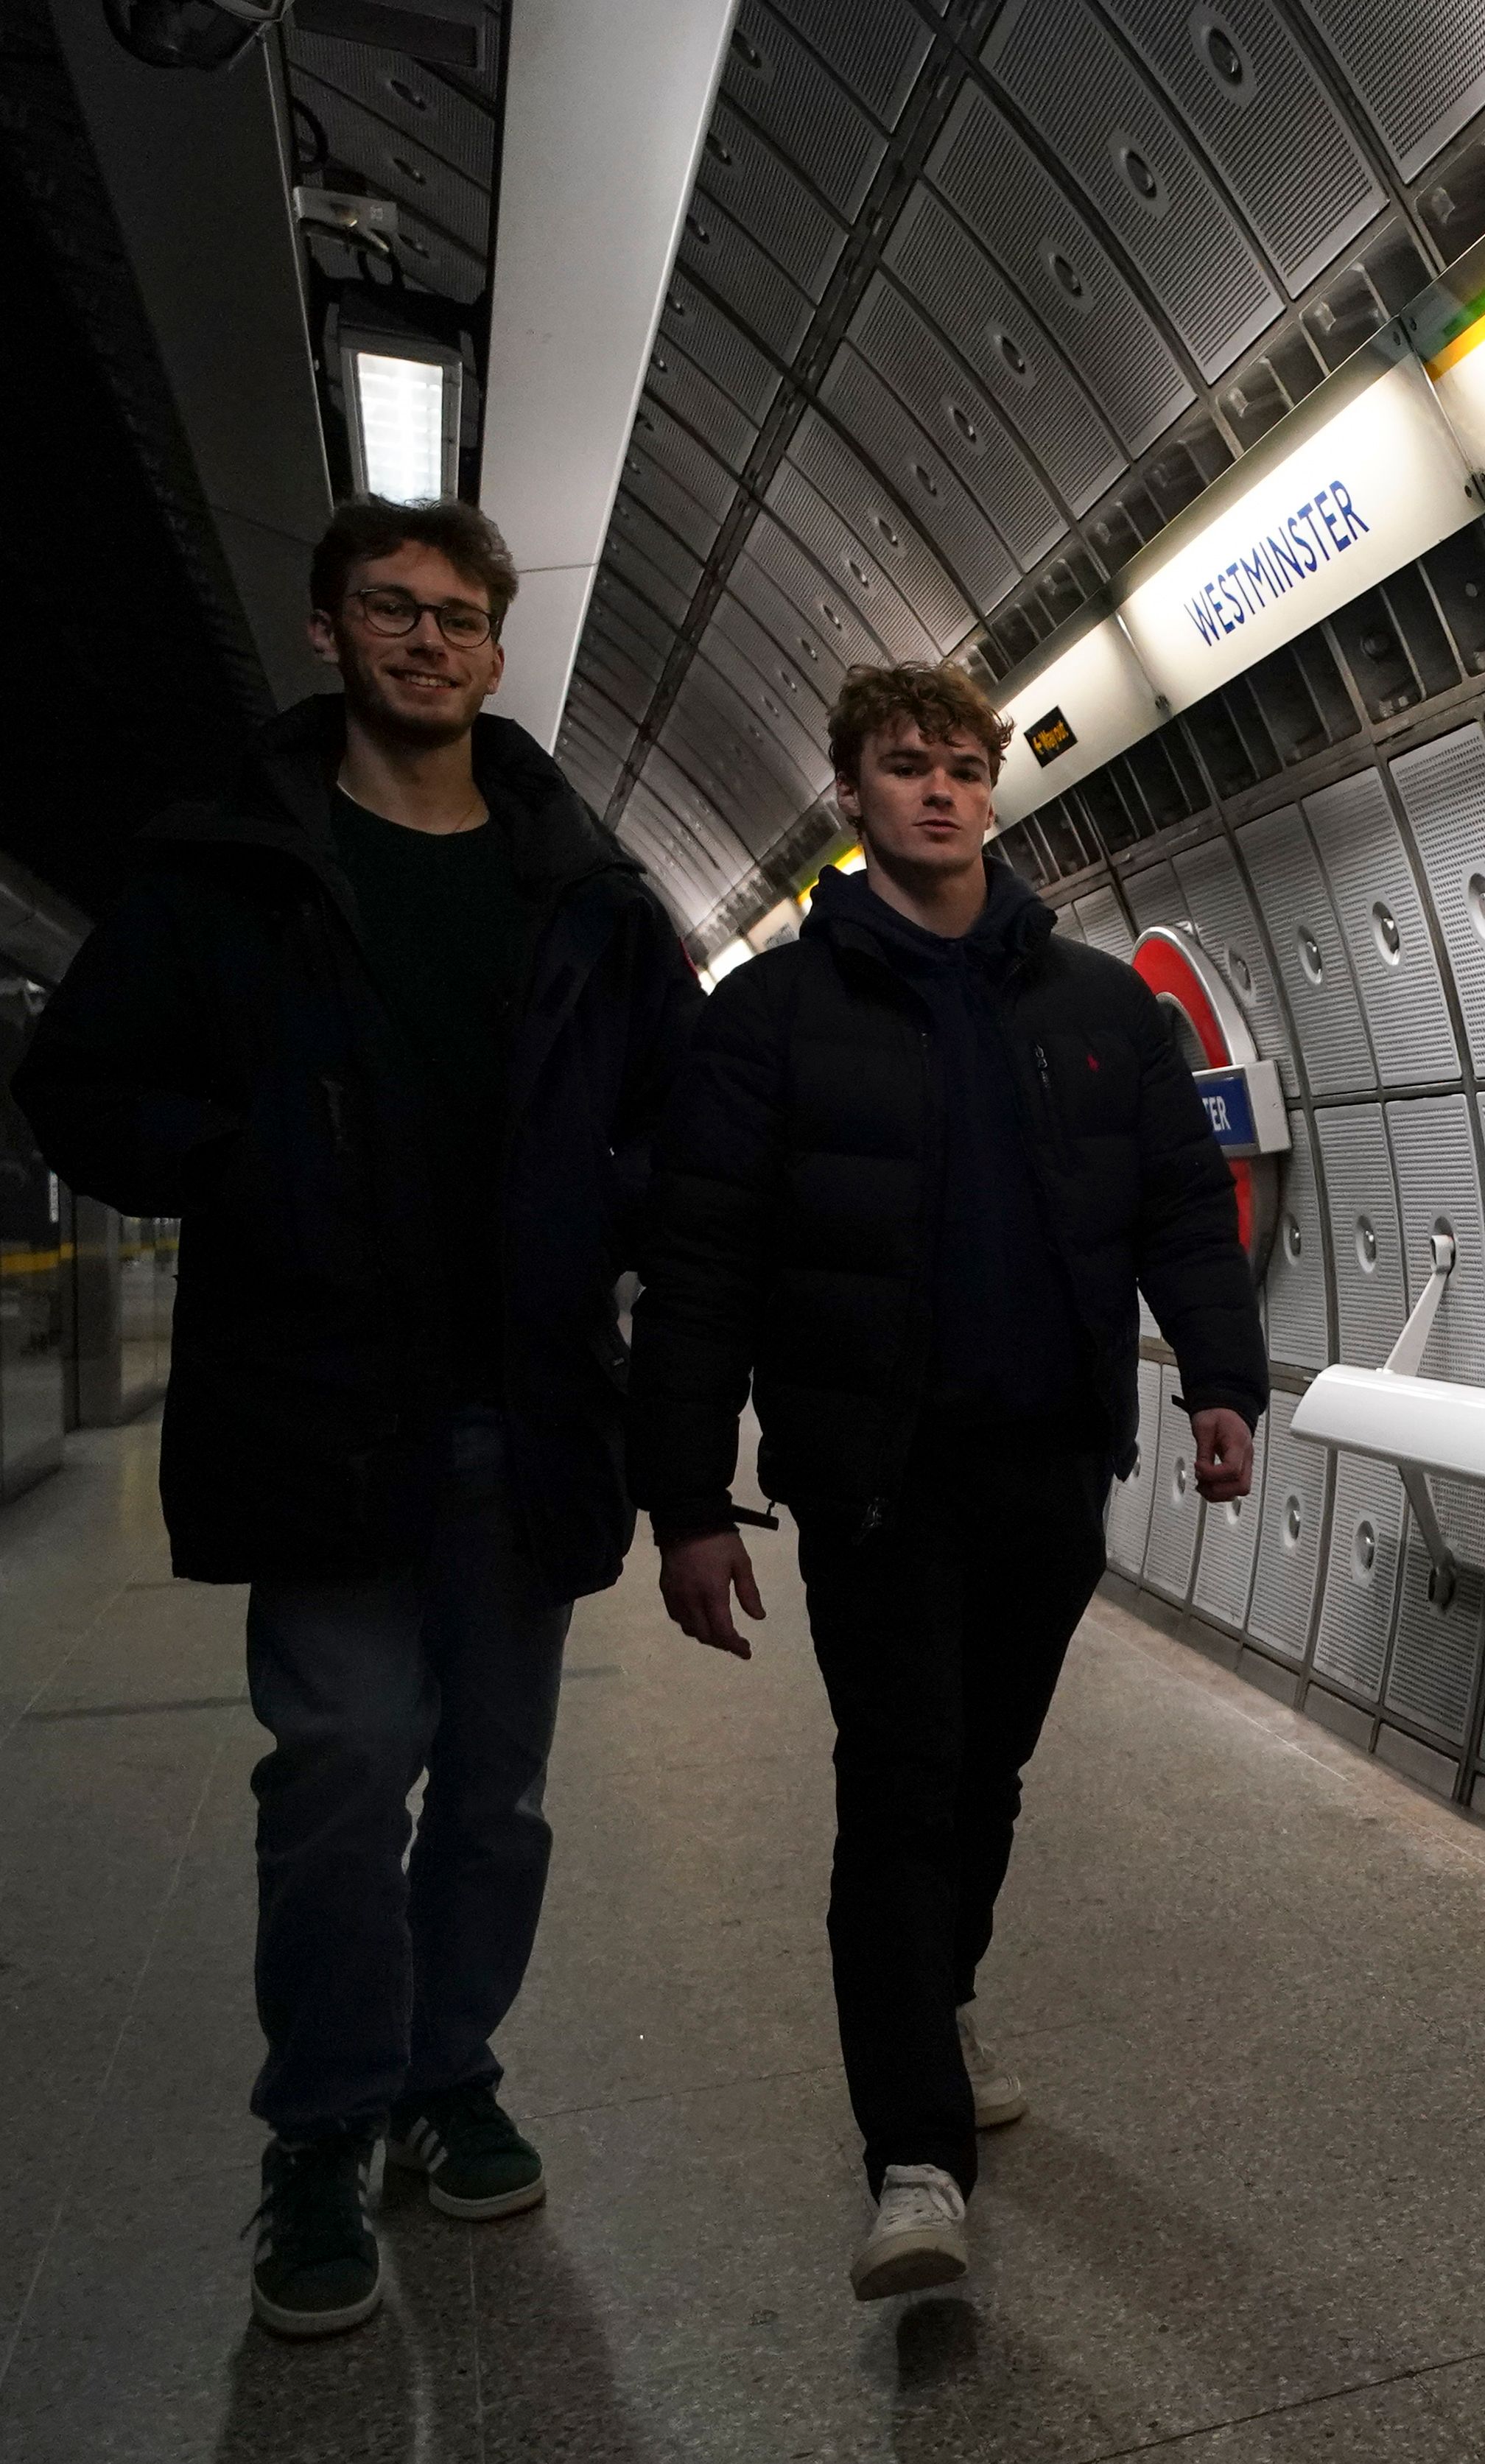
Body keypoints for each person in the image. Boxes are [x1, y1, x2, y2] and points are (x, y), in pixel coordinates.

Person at [15, 497, 703, 2338]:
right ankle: (319, 2124)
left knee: (496, 1791)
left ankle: (446, 2070)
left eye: (459, 615)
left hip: (527, 1408)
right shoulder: (230, 866)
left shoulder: (584, 887)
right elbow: (78, 1079)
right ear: (327, 633)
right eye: (390, 609)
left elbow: (683, 1112)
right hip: (315, 1401)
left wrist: (604, 1211)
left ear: (495, 647)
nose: (427, 640)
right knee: (335, 1775)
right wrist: (244, 1173)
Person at [630, 662, 1265, 2301]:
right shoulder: (769, 1018)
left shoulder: (1100, 1006)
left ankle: (943, 1991)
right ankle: (914, 2153)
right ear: (850, 791)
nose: (940, 790)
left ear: (996, 786)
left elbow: (1182, 1207)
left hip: (1050, 1462)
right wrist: (688, 1494)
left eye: (965, 766)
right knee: (901, 1784)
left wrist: (1218, 1380)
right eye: (905, 765)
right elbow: (701, 1265)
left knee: (985, 1773)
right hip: (872, 1477)